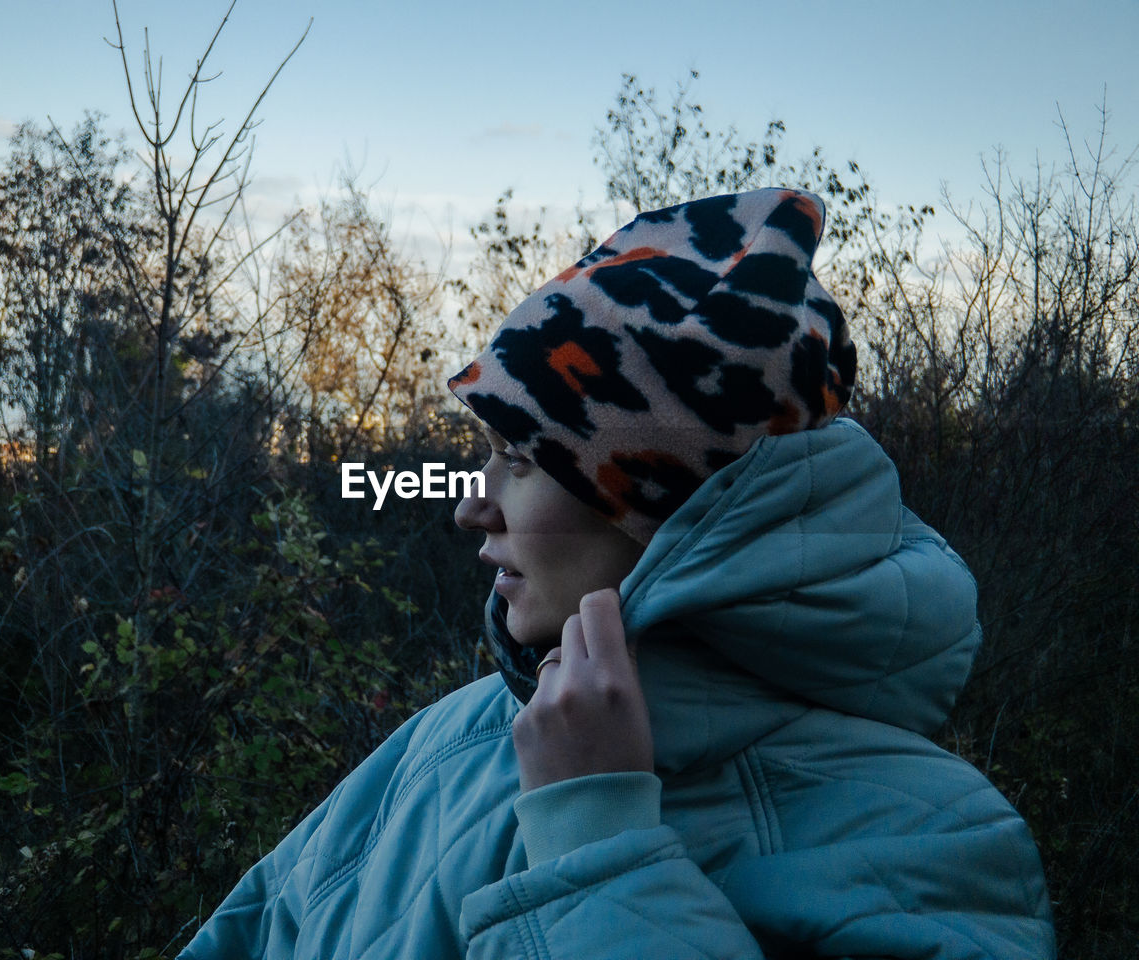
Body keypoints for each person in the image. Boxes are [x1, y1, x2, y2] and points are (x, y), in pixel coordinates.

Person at [179, 188, 1056, 959]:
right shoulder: (444, 744)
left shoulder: (935, 840)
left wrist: (595, 848)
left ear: (667, 501)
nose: (470, 506)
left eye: (519, 459)